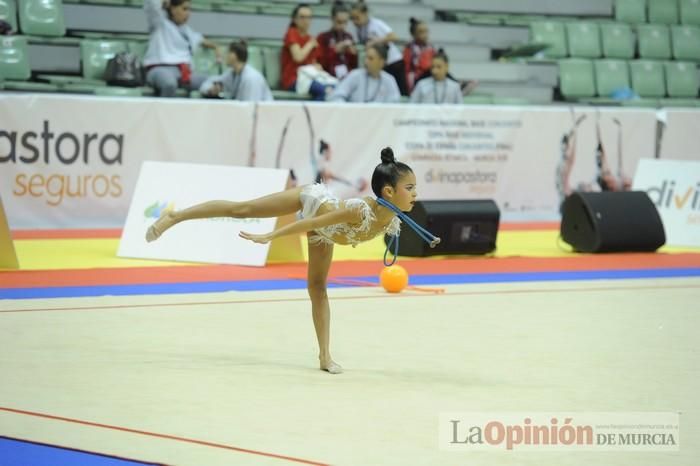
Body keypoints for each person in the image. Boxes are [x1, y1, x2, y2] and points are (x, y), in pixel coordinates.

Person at [145, 148, 416, 375]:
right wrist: (271, 234)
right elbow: (311, 221)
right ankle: (175, 217)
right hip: (311, 202)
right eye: (410, 188)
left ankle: (324, 357)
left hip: (326, 236)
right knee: (243, 209)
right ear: (389, 192)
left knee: (318, 289)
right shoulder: (359, 210)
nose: (415, 193)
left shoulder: (392, 217)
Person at [143, 0, 220, 97]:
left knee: (213, 81)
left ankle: (208, 92)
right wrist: (164, 2)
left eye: (189, 9)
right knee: (169, 83)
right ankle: (166, 112)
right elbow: (151, 4)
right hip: (160, 69)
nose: (188, 13)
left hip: (183, 73)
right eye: (184, 9)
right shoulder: (159, 22)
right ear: (173, 9)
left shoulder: (187, 31)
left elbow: (202, 41)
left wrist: (216, 48)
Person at [350, 1, 408, 96]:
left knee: (401, 91)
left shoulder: (376, 24)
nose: (355, 22)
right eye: (352, 18)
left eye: (357, 18)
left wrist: (377, 41)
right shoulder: (359, 29)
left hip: (394, 62)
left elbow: (394, 37)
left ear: (365, 14)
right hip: (381, 64)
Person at [281, 3, 331, 101]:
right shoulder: (292, 33)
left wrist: (317, 66)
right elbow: (298, 57)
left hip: (310, 78)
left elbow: (314, 62)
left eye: (309, 17)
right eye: (302, 17)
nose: (306, 21)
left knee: (333, 87)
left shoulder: (310, 39)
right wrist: (310, 45)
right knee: (322, 91)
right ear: (294, 19)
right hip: (293, 79)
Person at [199, 40, 273, 101]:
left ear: (233, 55)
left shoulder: (251, 78)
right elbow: (210, 81)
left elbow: (250, 108)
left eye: (227, 53)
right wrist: (210, 90)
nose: (225, 56)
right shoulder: (231, 73)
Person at [329, 43, 401, 103]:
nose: (366, 61)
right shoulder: (355, 75)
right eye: (366, 57)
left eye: (370, 58)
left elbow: (395, 103)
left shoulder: (389, 80)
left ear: (382, 62)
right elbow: (336, 96)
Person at [317, 1, 358, 79]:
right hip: (328, 78)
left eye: (345, 22)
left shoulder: (349, 37)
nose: (342, 26)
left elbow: (354, 66)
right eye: (339, 22)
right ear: (332, 19)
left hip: (346, 78)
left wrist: (353, 54)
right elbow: (321, 64)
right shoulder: (323, 37)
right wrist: (335, 51)